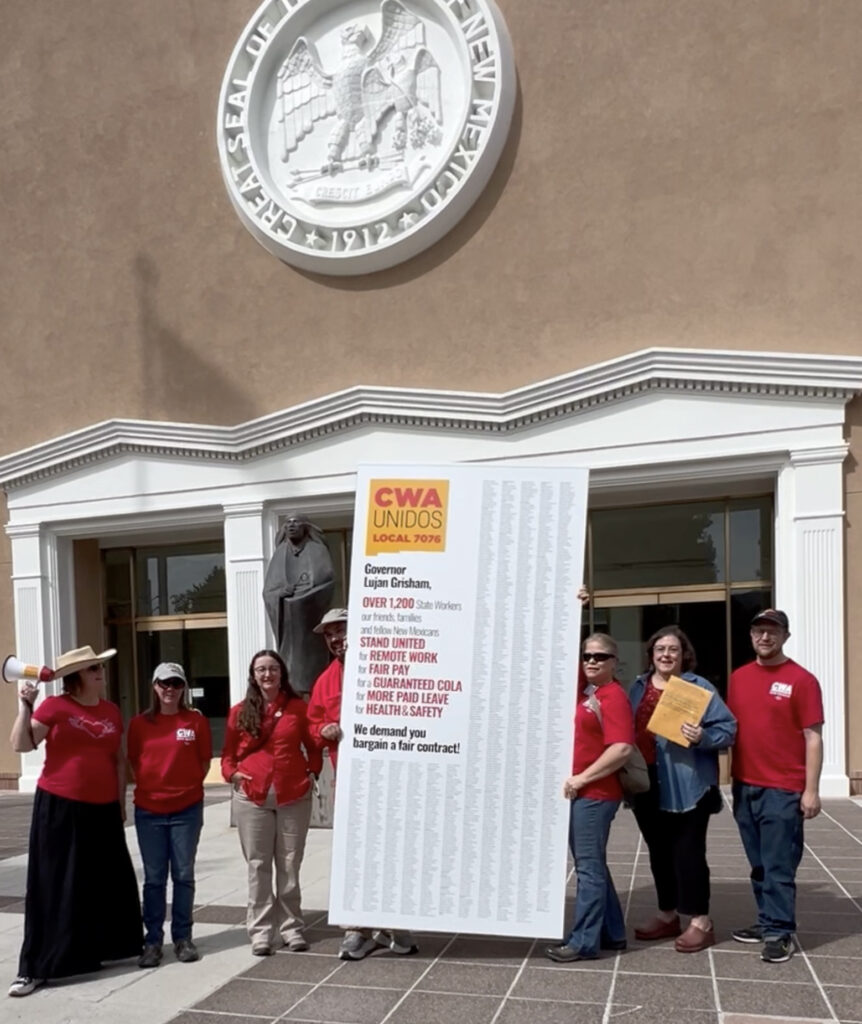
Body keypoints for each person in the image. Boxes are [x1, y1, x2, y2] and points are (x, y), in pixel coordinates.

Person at [8, 646, 142, 997]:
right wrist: (26, 706)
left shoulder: (112, 711)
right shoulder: (55, 706)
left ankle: (100, 951)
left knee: (104, 883)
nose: (100, 671)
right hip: (59, 804)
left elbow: (117, 759)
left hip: (102, 808)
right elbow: (21, 744)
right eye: (93, 668)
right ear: (77, 676)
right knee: (52, 884)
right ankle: (35, 968)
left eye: (100, 666)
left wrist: (120, 802)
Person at [307, 607, 419, 961]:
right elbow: (313, 725)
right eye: (330, 634)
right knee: (355, 854)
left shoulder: (391, 668)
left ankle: (391, 922)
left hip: (392, 778)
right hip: (352, 783)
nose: (337, 638)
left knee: (393, 851)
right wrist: (322, 731)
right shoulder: (325, 681)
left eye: (342, 630)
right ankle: (356, 928)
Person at [628, 626, 736, 953]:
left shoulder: (698, 688)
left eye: (673, 649)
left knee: (688, 853)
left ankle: (700, 921)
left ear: (683, 654)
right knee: (659, 851)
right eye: (660, 648)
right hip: (646, 782)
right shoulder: (636, 687)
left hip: (688, 784)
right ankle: (667, 914)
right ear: (651, 654)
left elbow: (728, 729)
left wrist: (703, 737)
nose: (666, 654)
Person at [728, 609, 824, 964]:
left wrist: (810, 790)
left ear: (785, 636)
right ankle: (767, 920)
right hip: (745, 786)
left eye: (772, 631)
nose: (764, 638)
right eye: (758, 631)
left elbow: (813, 737)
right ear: (751, 636)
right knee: (758, 863)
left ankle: (780, 931)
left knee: (779, 864)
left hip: (783, 790)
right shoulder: (739, 677)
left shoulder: (802, 680)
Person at [221, 649, 322, 955]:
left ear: (282, 674)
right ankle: (262, 931)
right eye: (261, 670)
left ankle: (291, 927)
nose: (267, 674)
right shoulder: (239, 711)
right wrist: (233, 775)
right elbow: (227, 756)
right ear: (253, 676)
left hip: (293, 795)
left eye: (273, 669)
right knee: (258, 865)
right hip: (253, 797)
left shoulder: (297, 708)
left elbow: (313, 746)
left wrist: (311, 772)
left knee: (290, 865)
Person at [544, 632, 635, 963]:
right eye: (587, 656)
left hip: (595, 795)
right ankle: (613, 932)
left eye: (600, 656)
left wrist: (582, 778)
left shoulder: (613, 697)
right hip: (582, 793)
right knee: (592, 862)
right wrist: (575, 603)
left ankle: (584, 941)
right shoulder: (586, 691)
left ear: (614, 661)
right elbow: (559, 637)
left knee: (588, 868)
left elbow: (622, 748)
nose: (592, 661)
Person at [127, 662, 212, 969]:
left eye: (176, 684)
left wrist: (183, 788)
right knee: (153, 879)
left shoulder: (195, 721)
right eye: (165, 684)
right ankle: (152, 941)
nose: (170, 690)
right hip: (149, 811)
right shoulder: (139, 724)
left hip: (186, 810)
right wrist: (155, 788)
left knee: (183, 875)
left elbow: (204, 763)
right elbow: (135, 762)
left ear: (183, 688)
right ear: (154, 686)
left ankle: (183, 938)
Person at [262, 514, 335, 694]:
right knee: (289, 668)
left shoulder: (316, 550)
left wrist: (301, 599)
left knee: (313, 676)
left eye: (296, 522)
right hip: (287, 626)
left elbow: (325, 581)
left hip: (309, 624)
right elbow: (269, 591)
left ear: (306, 527)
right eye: (288, 523)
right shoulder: (280, 553)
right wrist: (281, 594)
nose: (291, 526)